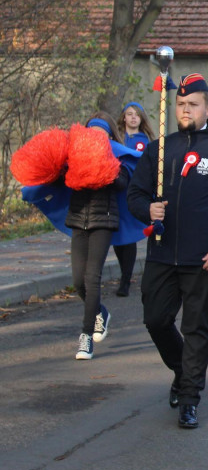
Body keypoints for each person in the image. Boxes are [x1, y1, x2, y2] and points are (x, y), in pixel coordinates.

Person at [127, 73, 208, 429]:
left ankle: (189, 398)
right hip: (162, 253)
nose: (185, 110)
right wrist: (147, 210)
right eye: (181, 104)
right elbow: (135, 194)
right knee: (155, 319)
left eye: (193, 104)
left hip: (204, 259)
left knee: (196, 326)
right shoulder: (159, 149)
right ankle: (183, 371)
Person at [67, 113, 138, 359]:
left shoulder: (117, 156)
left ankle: (86, 337)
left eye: (102, 133)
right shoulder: (76, 154)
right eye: (92, 131)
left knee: (92, 277)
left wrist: (104, 165)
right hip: (78, 219)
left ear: (109, 136)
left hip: (104, 220)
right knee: (77, 281)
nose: (96, 136)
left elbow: (122, 183)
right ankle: (100, 313)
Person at [113, 102, 155, 297]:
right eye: (129, 114)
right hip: (117, 192)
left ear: (141, 118)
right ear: (123, 117)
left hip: (135, 192)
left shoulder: (145, 140)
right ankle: (124, 273)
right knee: (117, 235)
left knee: (128, 235)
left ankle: (125, 280)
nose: (132, 118)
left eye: (136, 115)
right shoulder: (117, 139)